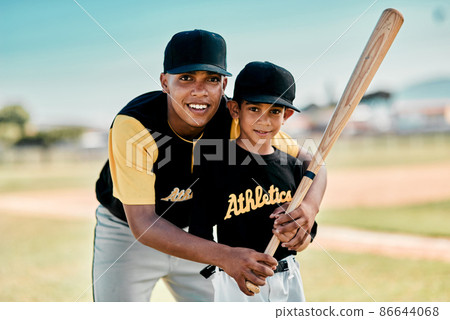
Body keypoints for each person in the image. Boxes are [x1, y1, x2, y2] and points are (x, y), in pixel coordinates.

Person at [93, 30, 326, 302]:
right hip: (129, 235)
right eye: (186, 78)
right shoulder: (135, 125)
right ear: (164, 82)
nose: (200, 91)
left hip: (201, 236)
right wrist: (225, 255)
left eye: (212, 79)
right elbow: (143, 222)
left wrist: (308, 208)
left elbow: (312, 163)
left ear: (223, 85)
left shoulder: (237, 118)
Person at [190, 61, 318, 302]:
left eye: (275, 111)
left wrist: (301, 236)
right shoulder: (214, 165)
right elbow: (200, 234)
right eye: (254, 109)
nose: (265, 120)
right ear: (235, 110)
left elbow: (307, 231)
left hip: (288, 277)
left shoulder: (292, 166)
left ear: (286, 115)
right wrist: (223, 261)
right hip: (237, 280)